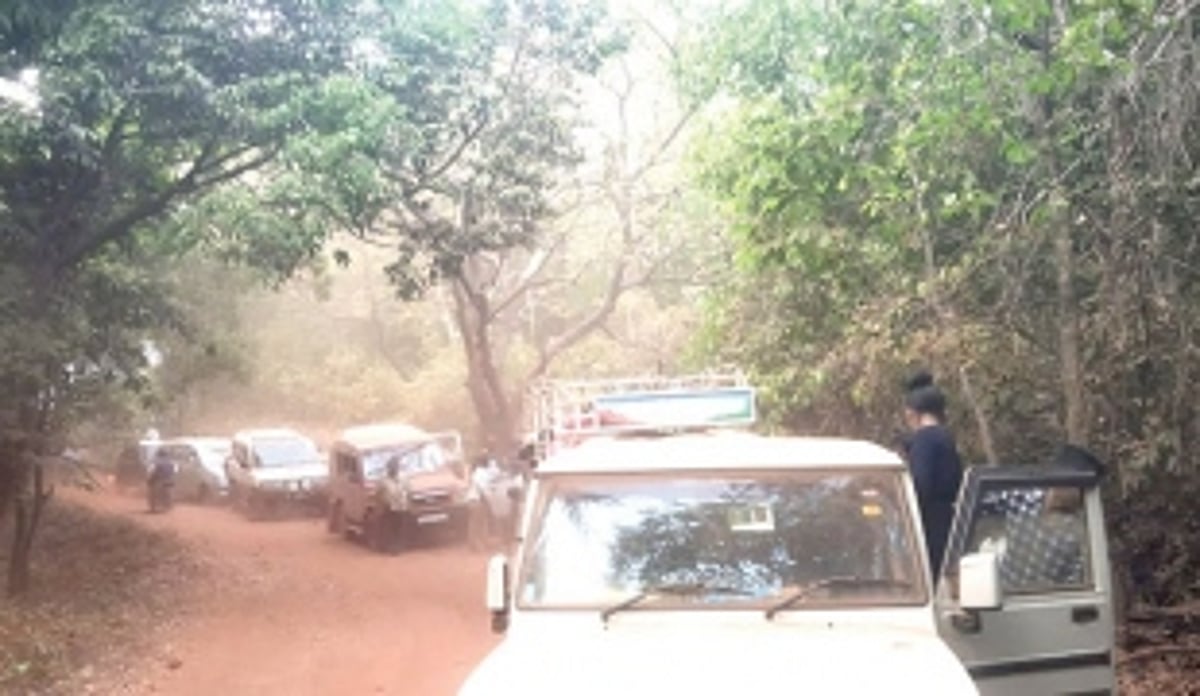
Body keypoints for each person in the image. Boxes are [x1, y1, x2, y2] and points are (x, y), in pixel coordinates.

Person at [903, 373, 963, 579]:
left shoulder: (924, 439)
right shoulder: (945, 437)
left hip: (930, 523)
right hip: (948, 518)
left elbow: (920, 487)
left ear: (913, 414)